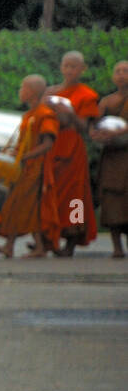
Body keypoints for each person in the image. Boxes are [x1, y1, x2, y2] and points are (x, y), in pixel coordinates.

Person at [0, 76, 60, 258]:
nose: (20, 91)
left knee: (29, 209)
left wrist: (25, 156)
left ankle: (39, 247)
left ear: (32, 92)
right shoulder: (28, 115)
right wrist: (14, 152)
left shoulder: (45, 114)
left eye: (22, 88)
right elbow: (25, 142)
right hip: (23, 169)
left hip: (36, 169)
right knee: (15, 205)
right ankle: (9, 246)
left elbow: (47, 144)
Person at [45, 51, 101, 255]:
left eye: (74, 66)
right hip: (52, 146)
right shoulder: (51, 92)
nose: (69, 70)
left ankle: (71, 240)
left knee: (74, 197)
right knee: (50, 192)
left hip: (73, 149)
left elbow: (84, 127)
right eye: (66, 66)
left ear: (82, 69)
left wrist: (69, 114)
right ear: (61, 67)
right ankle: (48, 237)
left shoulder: (86, 95)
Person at [91, 60, 128, 257]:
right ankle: (117, 248)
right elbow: (95, 126)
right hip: (112, 157)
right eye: (118, 71)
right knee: (112, 200)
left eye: (126, 71)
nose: (122, 75)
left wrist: (123, 130)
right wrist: (98, 135)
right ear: (113, 77)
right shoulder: (106, 101)